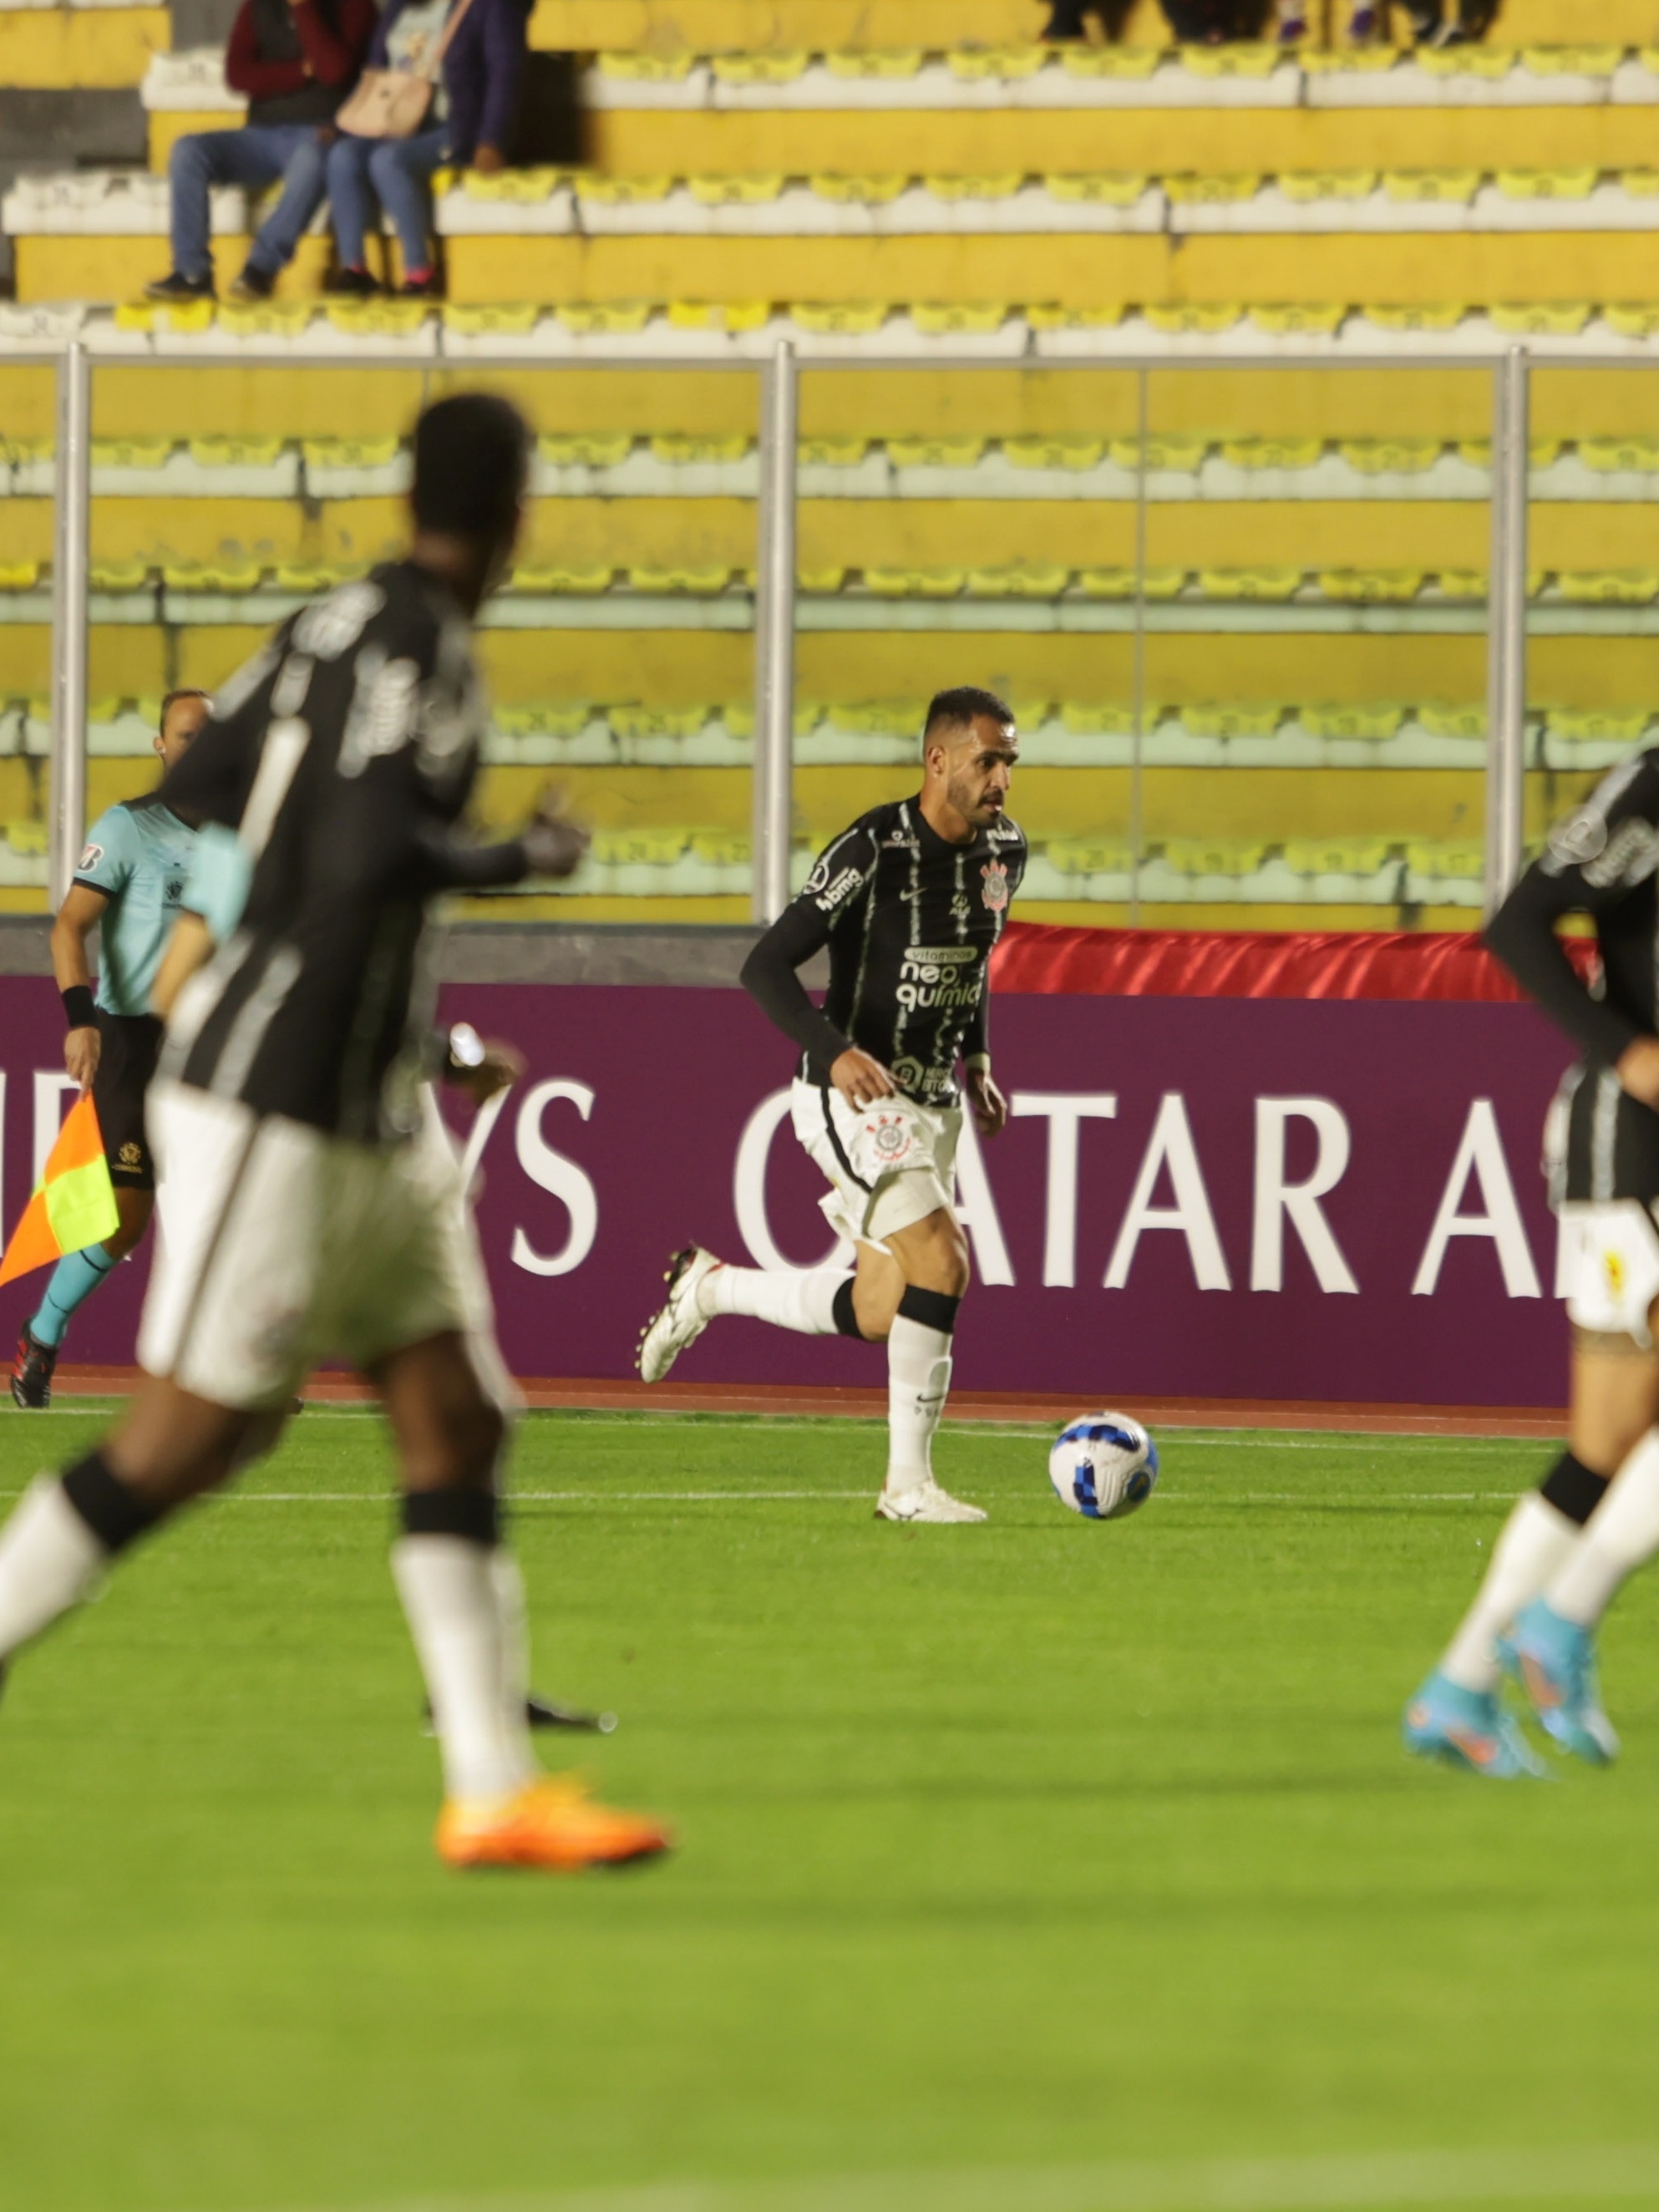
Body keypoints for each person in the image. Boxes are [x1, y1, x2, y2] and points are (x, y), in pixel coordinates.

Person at [0, 392, 670, 1874]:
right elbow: (370, 853)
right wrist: (518, 856)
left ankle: (492, 1789)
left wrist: (283, 901)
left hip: (363, 1107)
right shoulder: (434, 651)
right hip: (280, 1104)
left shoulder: (318, 627)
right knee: (190, 1437)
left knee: (455, 1416)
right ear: (514, 512)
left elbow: (197, 789)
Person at [636, 688, 1026, 1525]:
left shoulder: (1006, 851)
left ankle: (710, 1288)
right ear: (939, 760)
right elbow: (766, 964)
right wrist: (832, 1048)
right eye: (989, 761)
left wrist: (979, 1059)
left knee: (885, 1304)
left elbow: (976, 959)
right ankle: (906, 1488)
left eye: (1009, 764)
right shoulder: (873, 846)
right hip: (854, 1093)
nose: (1002, 779)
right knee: (945, 1261)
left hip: (932, 1101)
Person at [1404, 752, 1659, 1778]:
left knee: (1602, 1448)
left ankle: (1461, 1686)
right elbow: (1520, 920)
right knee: (1609, 1442)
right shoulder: (1652, 786)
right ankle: (1560, 1620)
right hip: (1633, 1144)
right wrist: (1626, 1049)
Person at [12, 692, 210, 1408]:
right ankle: (44, 1330)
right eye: (186, 736)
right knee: (127, 1213)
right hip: (131, 1038)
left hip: (211, 1041)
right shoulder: (129, 828)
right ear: (161, 746)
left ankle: (226, 1373)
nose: (199, 748)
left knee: (226, 1203)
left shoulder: (244, 842)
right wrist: (79, 1018)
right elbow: (69, 927)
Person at [145, 0, 377, 306]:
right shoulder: (259, 5)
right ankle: (192, 273)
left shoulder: (355, 6)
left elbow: (333, 70)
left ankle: (260, 270)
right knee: (189, 150)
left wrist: (303, 7)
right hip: (261, 133)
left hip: (319, 131)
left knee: (315, 154)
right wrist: (301, 70)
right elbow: (238, 75)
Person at [325, 0, 525, 299]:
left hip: (451, 127)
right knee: (342, 156)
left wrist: (491, 140)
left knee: (387, 161)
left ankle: (419, 272)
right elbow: (376, 72)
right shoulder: (398, 8)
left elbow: (504, 74)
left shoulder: (487, 6)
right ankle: (355, 269)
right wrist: (342, 125)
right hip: (395, 122)